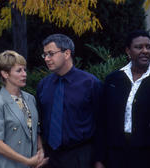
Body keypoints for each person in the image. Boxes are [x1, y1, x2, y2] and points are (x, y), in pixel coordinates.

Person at [102, 30, 150, 168]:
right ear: (128, 51)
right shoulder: (113, 79)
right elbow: (103, 120)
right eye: (138, 47)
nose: (145, 51)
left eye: (148, 47)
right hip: (116, 156)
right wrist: (100, 158)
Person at [36, 34, 102, 168]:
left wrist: (99, 160)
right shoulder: (44, 85)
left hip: (80, 156)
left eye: (51, 54)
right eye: (45, 55)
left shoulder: (90, 83)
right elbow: (39, 121)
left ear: (66, 53)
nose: (47, 59)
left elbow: (102, 123)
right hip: (50, 157)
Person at [0, 50, 48, 168]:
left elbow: (35, 129)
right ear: (5, 74)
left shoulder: (30, 99)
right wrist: (27, 161)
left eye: (24, 69)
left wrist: (40, 151)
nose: (24, 74)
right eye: (19, 70)